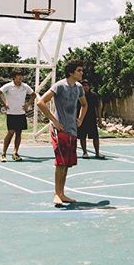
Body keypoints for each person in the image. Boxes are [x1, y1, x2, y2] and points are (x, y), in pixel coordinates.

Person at [37, 59, 87, 205]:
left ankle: (62, 193)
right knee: (60, 162)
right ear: (71, 72)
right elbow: (41, 102)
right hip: (60, 130)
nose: (81, 73)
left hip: (72, 129)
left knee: (66, 164)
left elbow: (84, 104)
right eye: (79, 70)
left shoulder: (78, 87)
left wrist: (80, 119)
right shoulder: (59, 85)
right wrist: (54, 121)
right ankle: (56, 194)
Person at [0, 69, 36, 162]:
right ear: (14, 77)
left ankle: (15, 153)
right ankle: (3, 154)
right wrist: (4, 104)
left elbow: (33, 95)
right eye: (18, 75)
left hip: (21, 113)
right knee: (10, 132)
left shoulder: (25, 86)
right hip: (11, 113)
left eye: (21, 75)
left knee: (19, 133)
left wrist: (28, 104)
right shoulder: (8, 86)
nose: (20, 77)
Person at [77, 79, 104, 159]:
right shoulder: (78, 95)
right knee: (82, 136)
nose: (85, 87)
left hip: (91, 118)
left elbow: (98, 107)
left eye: (86, 85)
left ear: (89, 86)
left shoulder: (93, 95)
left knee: (95, 136)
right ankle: (85, 153)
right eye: (83, 86)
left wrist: (99, 118)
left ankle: (97, 152)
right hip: (82, 119)